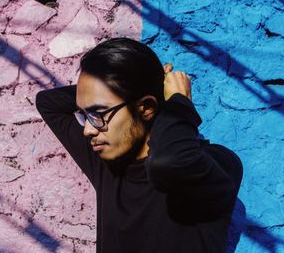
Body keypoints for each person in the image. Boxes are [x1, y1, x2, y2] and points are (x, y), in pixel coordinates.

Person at [35, 37, 242, 253]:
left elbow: (169, 163)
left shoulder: (218, 165)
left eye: (97, 113)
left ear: (146, 107)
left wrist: (179, 103)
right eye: (85, 115)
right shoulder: (108, 165)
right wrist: (131, 85)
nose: (88, 129)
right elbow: (48, 103)